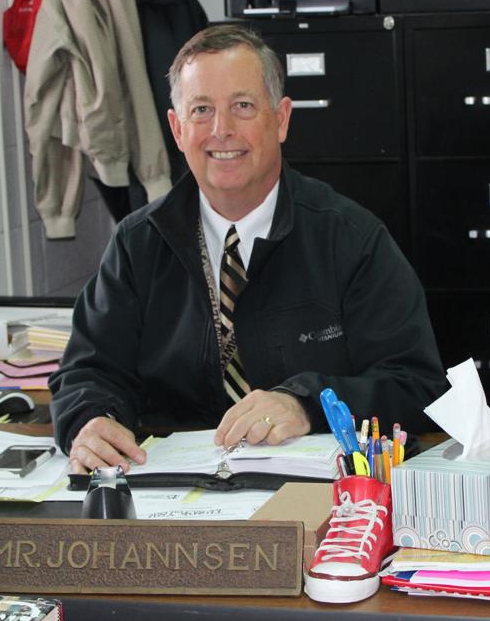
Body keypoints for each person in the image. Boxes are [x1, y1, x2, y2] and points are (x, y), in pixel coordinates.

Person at [50, 24, 448, 472]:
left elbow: (418, 386)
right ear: (177, 129)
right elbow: (86, 372)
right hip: (169, 499)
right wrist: (90, 420)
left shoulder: (351, 239)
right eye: (202, 110)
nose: (222, 130)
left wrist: (306, 404)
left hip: (315, 503)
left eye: (242, 106)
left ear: (280, 119)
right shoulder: (137, 244)